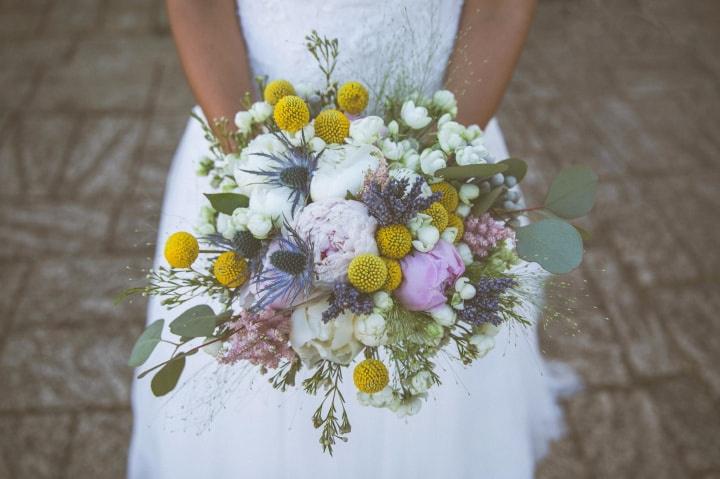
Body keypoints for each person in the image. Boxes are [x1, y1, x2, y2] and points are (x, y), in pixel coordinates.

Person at [129, 1, 572, 478]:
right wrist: (257, 168)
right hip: (249, 133)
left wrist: (439, 163)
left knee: (436, 383)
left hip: (443, 146)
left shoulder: (443, 155)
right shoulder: (252, 164)